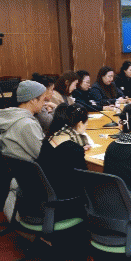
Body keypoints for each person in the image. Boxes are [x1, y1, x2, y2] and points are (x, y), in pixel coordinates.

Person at [0, 80, 48, 220]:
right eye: (43, 99)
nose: (45, 103)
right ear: (33, 100)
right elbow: (44, 155)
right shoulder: (26, 124)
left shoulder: (11, 117)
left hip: (18, 178)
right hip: (32, 182)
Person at [36, 104, 89, 213]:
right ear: (80, 124)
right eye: (86, 123)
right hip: (65, 203)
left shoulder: (50, 139)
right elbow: (84, 179)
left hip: (44, 197)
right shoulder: (74, 148)